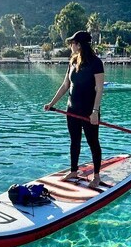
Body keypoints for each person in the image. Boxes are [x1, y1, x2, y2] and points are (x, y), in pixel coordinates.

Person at [44, 30, 105, 189]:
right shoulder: (72, 61)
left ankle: (96, 176)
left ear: (79, 45)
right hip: (71, 110)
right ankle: (73, 171)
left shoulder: (96, 63)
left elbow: (99, 89)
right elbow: (65, 86)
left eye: (72, 43)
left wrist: (95, 111)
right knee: (74, 142)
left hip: (89, 112)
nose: (70, 45)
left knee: (93, 142)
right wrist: (51, 103)